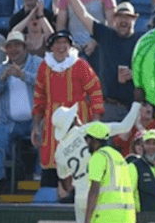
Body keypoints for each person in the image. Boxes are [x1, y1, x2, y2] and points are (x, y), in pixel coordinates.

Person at [53, 91, 144, 223]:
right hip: (104, 197)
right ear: (75, 119)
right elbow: (125, 126)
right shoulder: (90, 130)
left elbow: (65, 184)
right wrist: (137, 102)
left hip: (81, 200)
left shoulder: (59, 151)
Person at [62, 0, 141, 122]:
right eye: (120, 16)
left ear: (134, 19)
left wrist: (134, 74)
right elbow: (83, 14)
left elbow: (152, 70)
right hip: (109, 107)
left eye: (128, 17)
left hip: (134, 109)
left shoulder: (141, 42)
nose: (123, 20)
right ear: (114, 18)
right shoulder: (106, 34)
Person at [32, 30, 105, 187]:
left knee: (78, 157)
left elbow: (95, 90)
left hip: (78, 118)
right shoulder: (44, 67)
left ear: (70, 45)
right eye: (57, 43)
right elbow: (39, 98)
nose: (61, 46)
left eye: (65, 42)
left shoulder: (80, 65)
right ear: (51, 47)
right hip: (53, 123)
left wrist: (95, 121)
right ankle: (49, 195)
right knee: (52, 160)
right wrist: (36, 126)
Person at [0, 31, 42, 150]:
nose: (13, 49)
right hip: (9, 123)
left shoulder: (38, 62)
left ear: (24, 48)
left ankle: (40, 169)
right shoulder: (2, 68)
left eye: (17, 45)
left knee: (45, 135)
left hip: (36, 120)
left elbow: (47, 84)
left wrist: (23, 75)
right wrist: (2, 78)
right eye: (9, 46)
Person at [55, 0, 116, 65]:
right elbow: (60, 26)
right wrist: (70, 44)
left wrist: (96, 42)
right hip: (74, 49)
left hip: (98, 48)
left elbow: (112, 25)